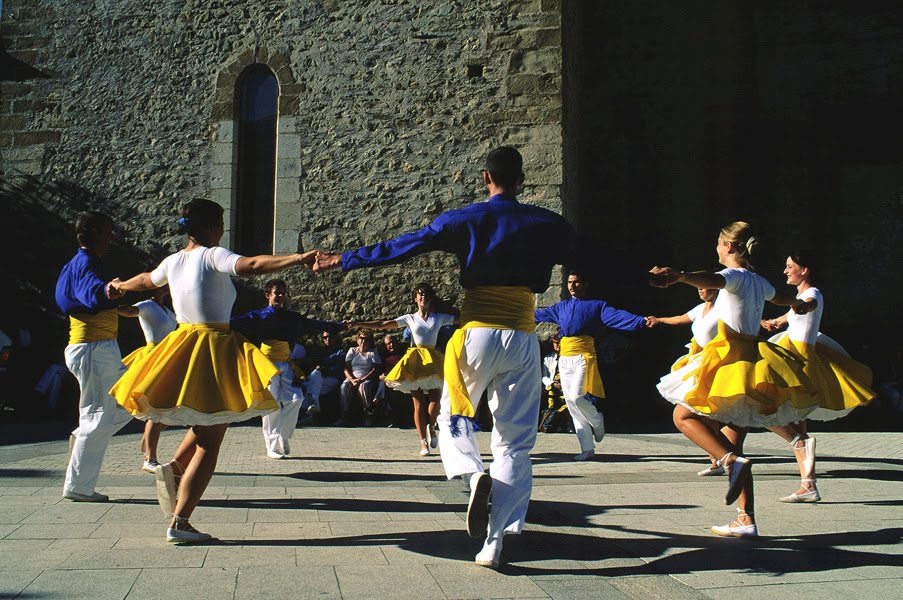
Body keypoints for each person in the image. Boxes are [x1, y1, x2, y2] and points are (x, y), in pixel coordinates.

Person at [313, 146, 574, 569]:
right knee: (514, 443)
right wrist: (665, 275)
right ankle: (494, 542)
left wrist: (344, 259)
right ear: (521, 179)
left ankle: (473, 476)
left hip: (477, 335)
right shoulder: (549, 222)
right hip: (524, 337)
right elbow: (592, 255)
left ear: (486, 178)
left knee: (452, 415)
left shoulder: (465, 218)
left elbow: (404, 245)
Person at [109, 199, 315, 543]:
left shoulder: (174, 260)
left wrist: (120, 285)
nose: (222, 229)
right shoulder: (212, 254)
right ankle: (181, 521)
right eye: (220, 223)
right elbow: (251, 265)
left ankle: (174, 470)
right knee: (210, 439)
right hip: (214, 345)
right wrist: (297, 257)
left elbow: (146, 280)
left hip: (183, 344)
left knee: (205, 426)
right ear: (209, 227)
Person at [649, 221, 817, 538]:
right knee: (733, 435)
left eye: (717, 243)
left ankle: (730, 461)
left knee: (682, 414)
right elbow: (781, 298)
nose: (715, 248)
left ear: (728, 246)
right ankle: (746, 518)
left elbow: (712, 278)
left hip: (731, 359)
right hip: (756, 359)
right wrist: (797, 303)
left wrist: (680, 276)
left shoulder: (735, 276)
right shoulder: (758, 281)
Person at [761, 251, 875, 502]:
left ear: (805, 270)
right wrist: (772, 322)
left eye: (790, 266)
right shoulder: (802, 296)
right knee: (797, 419)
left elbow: (807, 306)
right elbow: (788, 317)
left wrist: (789, 304)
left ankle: (798, 444)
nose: (785, 270)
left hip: (799, 360)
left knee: (761, 406)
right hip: (794, 354)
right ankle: (808, 484)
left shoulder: (812, 294)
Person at [55, 211, 134, 502]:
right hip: (93, 348)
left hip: (95, 348)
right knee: (97, 416)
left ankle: (83, 438)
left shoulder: (75, 263)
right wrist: (110, 290)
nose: (112, 236)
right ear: (96, 232)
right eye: (108, 230)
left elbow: (77, 297)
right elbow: (91, 292)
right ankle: (79, 486)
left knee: (133, 399)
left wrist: (115, 306)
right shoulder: (86, 262)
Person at [534, 271, 647, 460]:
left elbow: (618, 316)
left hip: (584, 355)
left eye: (576, 282)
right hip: (565, 358)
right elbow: (537, 315)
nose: (572, 286)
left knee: (578, 397)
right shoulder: (561, 307)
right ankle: (587, 448)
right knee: (570, 402)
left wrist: (641, 321)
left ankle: (597, 419)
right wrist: (511, 315)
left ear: (585, 284)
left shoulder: (597, 306)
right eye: (570, 282)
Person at [231, 279, 344, 459]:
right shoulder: (259, 316)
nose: (281, 296)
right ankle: (272, 445)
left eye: (283, 293)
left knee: (296, 398)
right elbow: (233, 323)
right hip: (266, 364)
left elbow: (314, 324)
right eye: (277, 293)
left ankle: (283, 434)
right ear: (268, 295)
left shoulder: (291, 317)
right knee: (272, 403)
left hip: (285, 363)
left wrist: (339, 326)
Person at [347, 283, 457, 455]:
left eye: (426, 294)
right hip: (415, 360)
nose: (423, 297)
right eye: (420, 295)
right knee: (418, 403)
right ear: (415, 299)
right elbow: (383, 324)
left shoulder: (439, 317)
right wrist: (358, 323)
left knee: (435, 402)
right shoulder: (410, 318)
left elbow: (462, 320)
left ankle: (432, 425)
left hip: (433, 359)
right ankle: (423, 443)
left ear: (430, 298)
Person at [645, 288, 725, 476]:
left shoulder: (723, 307)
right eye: (698, 287)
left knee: (707, 413)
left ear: (715, 288)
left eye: (704, 286)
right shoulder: (699, 309)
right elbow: (681, 318)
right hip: (699, 362)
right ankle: (718, 458)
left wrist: (763, 322)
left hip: (716, 363)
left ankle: (723, 457)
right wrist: (659, 319)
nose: (701, 290)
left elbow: (741, 320)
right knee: (703, 414)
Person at [117, 285, 177, 473]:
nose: (166, 288)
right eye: (161, 286)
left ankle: (147, 442)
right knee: (156, 410)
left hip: (168, 357)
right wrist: (107, 305)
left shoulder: (168, 310)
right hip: (153, 358)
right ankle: (150, 459)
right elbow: (129, 311)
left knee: (172, 410)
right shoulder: (147, 306)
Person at [337, 330, 383, 425]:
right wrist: (351, 379)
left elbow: (375, 369)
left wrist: (363, 379)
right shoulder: (352, 351)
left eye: (366, 339)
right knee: (344, 386)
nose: (363, 341)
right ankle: (344, 416)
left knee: (363, 387)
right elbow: (346, 368)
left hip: (367, 379)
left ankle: (368, 416)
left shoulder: (373, 352)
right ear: (357, 340)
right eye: (361, 338)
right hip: (352, 378)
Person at [304, 330, 346, 420]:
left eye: (330, 337)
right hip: (321, 380)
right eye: (325, 337)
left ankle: (310, 409)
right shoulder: (321, 351)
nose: (327, 339)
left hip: (334, 379)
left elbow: (337, 370)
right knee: (313, 384)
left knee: (313, 382)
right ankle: (312, 411)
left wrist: (323, 369)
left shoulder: (340, 352)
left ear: (336, 338)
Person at [538, 335, 572, 434]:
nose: (557, 345)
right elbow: (543, 376)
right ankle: (549, 425)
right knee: (551, 405)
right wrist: (552, 383)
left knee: (567, 405)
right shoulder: (548, 358)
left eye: (559, 343)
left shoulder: (569, 358)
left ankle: (567, 424)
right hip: (552, 388)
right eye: (555, 343)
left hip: (566, 388)